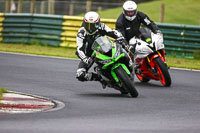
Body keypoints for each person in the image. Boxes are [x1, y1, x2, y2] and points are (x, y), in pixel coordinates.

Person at [75, 11, 132, 88]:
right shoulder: (81, 33)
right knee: (80, 74)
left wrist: (121, 38)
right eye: (87, 25)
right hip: (91, 55)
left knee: (121, 46)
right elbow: (79, 49)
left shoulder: (102, 26)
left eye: (92, 25)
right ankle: (101, 79)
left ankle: (130, 63)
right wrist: (85, 58)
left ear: (97, 23)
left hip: (106, 46)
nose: (90, 28)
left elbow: (112, 32)